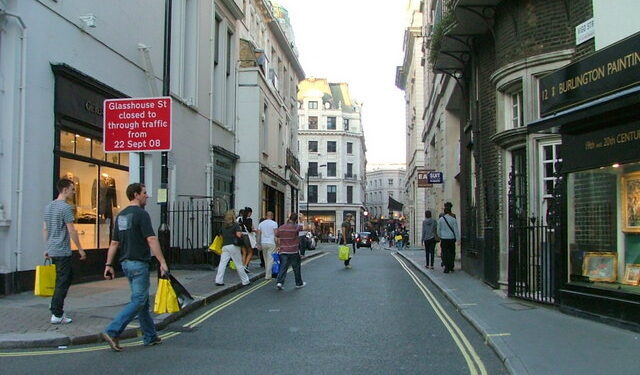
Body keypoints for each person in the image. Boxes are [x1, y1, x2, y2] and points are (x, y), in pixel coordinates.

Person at [101, 183, 169, 351]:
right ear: (136, 195)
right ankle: (112, 330)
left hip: (126, 264)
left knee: (143, 302)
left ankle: (150, 336)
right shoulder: (141, 214)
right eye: (145, 193)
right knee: (139, 300)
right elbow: (151, 239)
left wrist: (109, 264)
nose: (147, 196)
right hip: (139, 263)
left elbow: (114, 242)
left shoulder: (122, 216)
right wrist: (162, 261)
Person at [43, 178, 87, 324]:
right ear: (65, 190)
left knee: (62, 278)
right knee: (64, 280)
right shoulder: (65, 208)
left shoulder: (49, 206)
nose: (73, 192)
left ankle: (55, 303)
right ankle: (57, 313)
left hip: (53, 248)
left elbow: (45, 228)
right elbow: (71, 230)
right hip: (62, 250)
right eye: (72, 189)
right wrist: (80, 249)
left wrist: (47, 247)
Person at [215, 209, 250, 286]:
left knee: (222, 264)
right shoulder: (235, 225)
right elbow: (238, 235)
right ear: (233, 216)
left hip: (225, 246)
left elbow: (221, 235)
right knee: (239, 264)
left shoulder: (223, 225)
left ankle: (218, 280)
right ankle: (245, 281)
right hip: (233, 245)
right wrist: (241, 234)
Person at [275, 212, 305, 290]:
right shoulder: (296, 227)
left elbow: (276, 235)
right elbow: (307, 227)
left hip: (283, 250)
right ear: (296, 220)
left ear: (289, 218)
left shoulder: (281, 227)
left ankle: (279, 282)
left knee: (283, 267)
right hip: (293, 251)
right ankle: (299, 283)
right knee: (296, 268)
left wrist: (278, 245)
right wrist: (302, 220)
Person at [438, 202, 460, 273]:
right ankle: (451, 266)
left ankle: (446, 267)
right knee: (452, 253)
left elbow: (438, 229)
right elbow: (456, 230)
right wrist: (458, 239)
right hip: (451, 238)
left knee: (444, 252)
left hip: (444, 238)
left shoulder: (441, 219)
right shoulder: (453, 219)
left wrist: (439, 236)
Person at [257, 211, 278, 280]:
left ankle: (268, 273)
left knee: (266, 259)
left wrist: (258, 243)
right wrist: (278, 244)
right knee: (270, 259)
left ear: (266, 216)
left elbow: (258, 234)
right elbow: (276, 234)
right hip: (271, 243)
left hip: (263, 242)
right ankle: (267, 275)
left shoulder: (261, 224)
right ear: (272, 216)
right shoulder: (274, 224)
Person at [238, 207, 255, 272]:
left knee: (244, 252)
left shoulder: (239, 218)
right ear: (249, 213)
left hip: (241, 237)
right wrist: (254, 230)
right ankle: (245, 266)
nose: (251, 214)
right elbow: (249, 230)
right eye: (250, 213)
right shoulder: (249, 219)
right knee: (250, 252)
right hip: (247, 237)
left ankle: (242, 266)